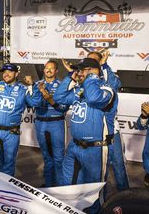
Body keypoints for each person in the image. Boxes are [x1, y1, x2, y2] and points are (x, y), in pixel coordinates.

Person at [53, 58, 115, 213]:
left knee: (94, 191)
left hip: (95, 149)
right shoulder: (79, 90)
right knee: (69, 186)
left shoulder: (107, 89)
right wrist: (70, 77)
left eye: (80, 70)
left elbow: (94, 98)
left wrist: (92, 78)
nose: (78, 73)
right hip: (74, 146)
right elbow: (58, 97)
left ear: (91, 71)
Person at [63, 50, 129, 191]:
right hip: (92, 130)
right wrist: (74, 74)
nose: (88, 65)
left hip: (111, 131)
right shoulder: (84, 80)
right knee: (91, 173)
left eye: (93, 61)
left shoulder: (106, 76)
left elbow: (113, 85)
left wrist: (104, 65)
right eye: (87, 61)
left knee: (117, 164)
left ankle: (124, 196)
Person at [0, 63, 35, 176]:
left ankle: (5, 188)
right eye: (4, 71)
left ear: (16, 73)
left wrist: (32, 85)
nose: (6, 74)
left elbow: (35, 102)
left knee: (8, 162)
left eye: (10, 71)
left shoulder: (23, 89)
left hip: (11, 132)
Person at [28, 60, 68, 187]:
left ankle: (60, 187)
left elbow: (64, 107)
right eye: (46, 68)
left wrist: (49, 98)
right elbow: (31, 103)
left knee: (58, 158)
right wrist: (34, 90)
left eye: (52, 69)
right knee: (47, 158)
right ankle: (49, 185)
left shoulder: (62, 86)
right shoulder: (37, 85)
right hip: (41, 123)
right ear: (44, 70)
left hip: (56, 123)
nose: (48, 71)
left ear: (56, 71)